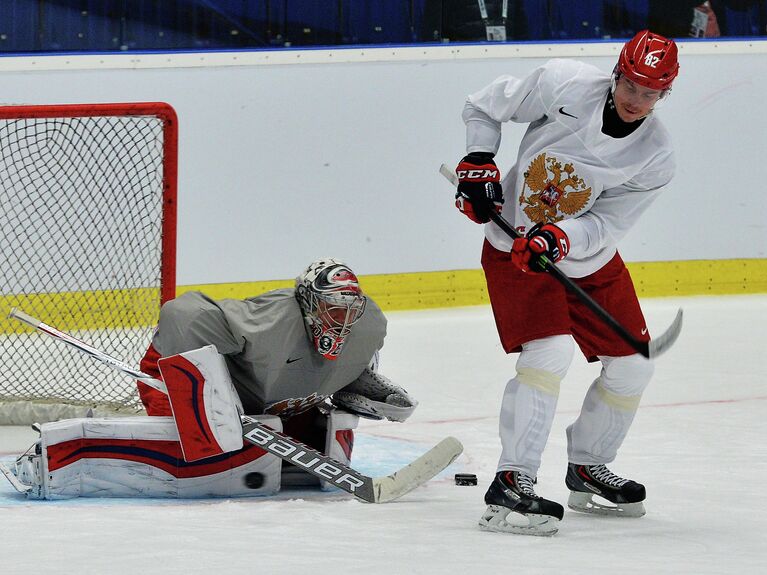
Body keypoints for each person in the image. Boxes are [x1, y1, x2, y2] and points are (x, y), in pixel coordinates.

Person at [454, 30, 679, 535]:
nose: (636, 100)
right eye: (632, 85)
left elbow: (606, 224)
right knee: (549, 353)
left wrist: (561, 236)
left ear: (665, 94)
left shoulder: (656, 155)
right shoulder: (564, 82)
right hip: (515, 246)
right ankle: (513, 481)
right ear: (618, 72)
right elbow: (484, 106)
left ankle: (587, 466)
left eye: (651, 93)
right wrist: (478, 160)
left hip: (586, 255)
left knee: (633, 366)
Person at [10, 258, 418, 499]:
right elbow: (181, 315)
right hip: (179, 368)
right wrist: (210, 398)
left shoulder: (369, 325)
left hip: (262, 396)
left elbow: (328, 367)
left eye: (349, 309)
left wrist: (349, 384)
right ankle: (54, 459)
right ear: (309, 303)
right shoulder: (269, 323)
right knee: (196, 446)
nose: (342, 320)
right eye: (332, 308)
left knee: (285, 436)